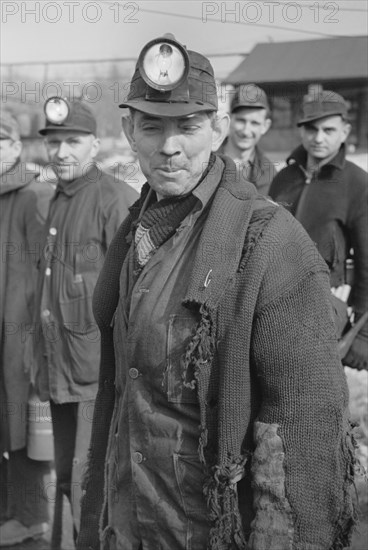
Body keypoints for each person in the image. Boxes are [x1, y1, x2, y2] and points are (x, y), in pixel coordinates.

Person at [77, 36, 358, 550]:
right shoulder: (134, 230)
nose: (169, 146)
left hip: (209, 529)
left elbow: (304, 425)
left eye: (188, 126)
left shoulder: (268, 243)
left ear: (219, 130)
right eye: (152, 126)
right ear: (127, 132)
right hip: (128, 520)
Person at [31, 98, 138, 541]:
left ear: (95, 144)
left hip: (98, 375)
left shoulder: (117, 200)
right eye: (54, 143)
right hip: (60, 370)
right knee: (66, 482)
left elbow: (136, 295)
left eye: (73, 141)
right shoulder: (58, 198)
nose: (61, 153)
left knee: (90, 482)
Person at [269, 90, 368, 371]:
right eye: (311, 129)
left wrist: (361, 330)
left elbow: (366, 262)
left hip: (325, 307)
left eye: (329, 129)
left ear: (345, 131)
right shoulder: (283, 178)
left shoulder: (358, 183)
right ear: (301, 130)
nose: (319, 137)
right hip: (275, 301)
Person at [0, 112, 54, 546]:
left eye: (1, 140)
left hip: (21, 335)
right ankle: (9, 511)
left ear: (16, 147)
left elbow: (47, 272)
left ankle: (33, 516)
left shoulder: (33, 195)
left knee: (27, 425)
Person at [217, 84, 277, 195]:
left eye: (254, 123)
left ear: (265, 126)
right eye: (241, 121)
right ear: (229, 119)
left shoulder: (269, 172)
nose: (246, 131)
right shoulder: (207, 161)